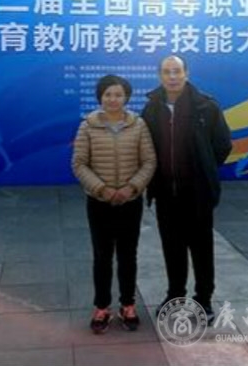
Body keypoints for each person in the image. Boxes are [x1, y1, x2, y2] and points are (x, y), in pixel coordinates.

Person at [141, 56, 232, 325]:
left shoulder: (206, 106)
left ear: (186, 73)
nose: (172, 77)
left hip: (197, 194)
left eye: (177, 71)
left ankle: (204, 300)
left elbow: (222, 145)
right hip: (166, 193)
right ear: (159, 76)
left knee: (202, 249)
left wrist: (204, 169)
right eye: (167, 72)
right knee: (172, 249)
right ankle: (175, 295)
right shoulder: (152, 108)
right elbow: (146, 146)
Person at [72, 74, 156, 334]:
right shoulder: (87, 126)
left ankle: (128, 305)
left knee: (128, 255)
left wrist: (132, 188)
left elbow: (149, 161)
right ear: (100, 97)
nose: (113, 99)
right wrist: (103, 189)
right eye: (108, 94)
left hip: (130, 202)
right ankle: (102, 307)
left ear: (126, 97)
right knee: (102, 256)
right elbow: (79, 164)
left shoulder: (138, 125)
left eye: (118, 94)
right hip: (99, 203)